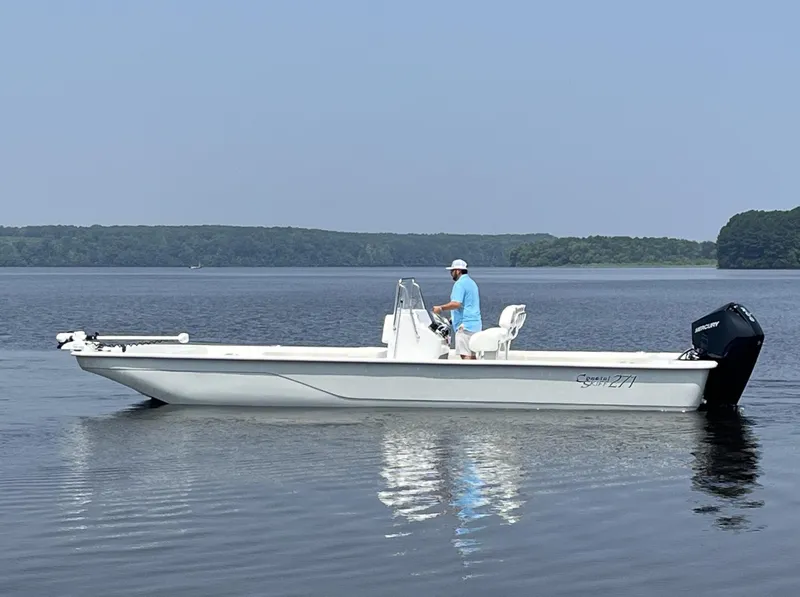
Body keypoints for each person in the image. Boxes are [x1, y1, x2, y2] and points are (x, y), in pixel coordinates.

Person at [433, 259, 482, 359]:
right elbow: (469, 304)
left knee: (465, 355)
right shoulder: (472, 283)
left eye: (452, 271)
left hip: (464, 327)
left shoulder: (459, 284)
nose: (451, 273)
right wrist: (453, 319)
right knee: (473, 355)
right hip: (476, 325)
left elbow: (456, 303)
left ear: (458, 271)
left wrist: (440, 308)